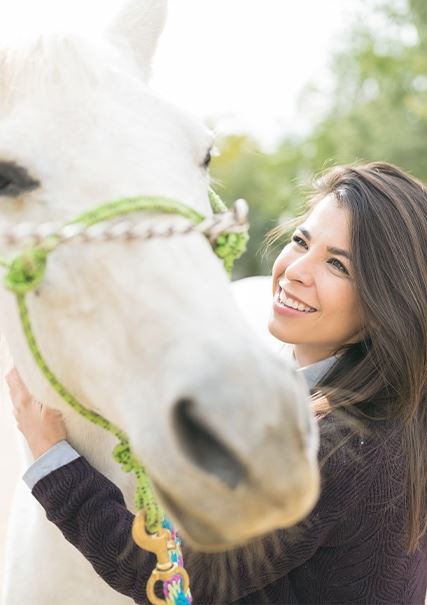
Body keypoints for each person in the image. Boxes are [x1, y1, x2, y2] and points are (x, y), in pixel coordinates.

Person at [7, 162, 427, 604]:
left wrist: (51, 458)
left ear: (387, 302)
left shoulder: (342, 447)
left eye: (338, 265)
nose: (296, 270)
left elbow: (173, 585)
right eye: (301, 241)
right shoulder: (392, 408)